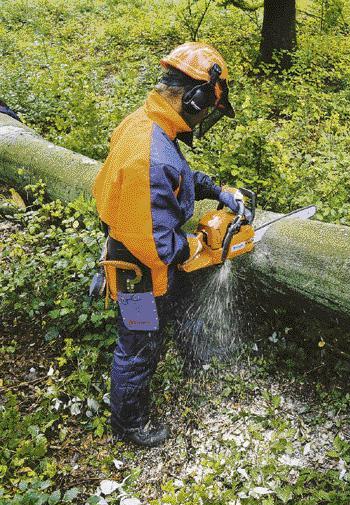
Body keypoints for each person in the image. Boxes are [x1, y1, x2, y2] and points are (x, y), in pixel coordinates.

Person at [92, 42, 244, 447]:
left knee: (152, 331)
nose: (204, 117)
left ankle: (178, 356)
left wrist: (215, 190)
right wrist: (194, 248)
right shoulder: (151, 154)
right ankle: (129, 424)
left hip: (129, 250)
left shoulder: (147, 124)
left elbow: (176, 175)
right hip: (138, 273)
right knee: (138, 344)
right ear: (194, 97)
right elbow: (158, 246)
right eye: (207, 107)